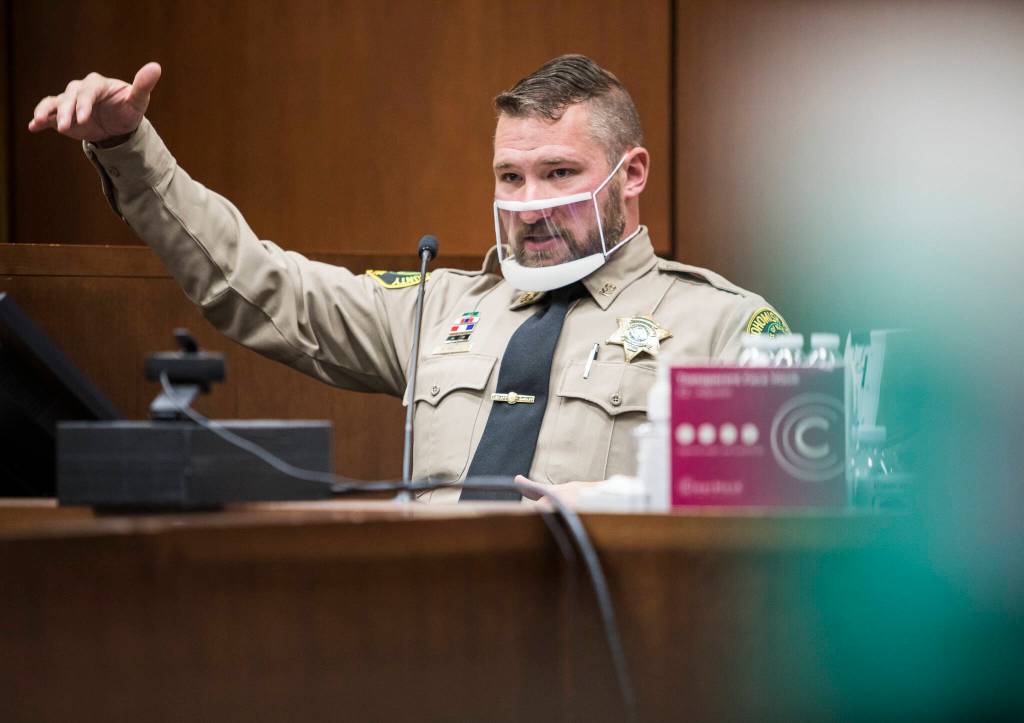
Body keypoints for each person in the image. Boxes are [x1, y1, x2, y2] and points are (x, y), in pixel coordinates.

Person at [29, 55, 788, 503]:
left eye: (559, 173)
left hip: (610, 644)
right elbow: (258, 284)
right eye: (510, 177)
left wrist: (631, 502)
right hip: (429, 633)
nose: (529, 204)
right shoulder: (439, 307)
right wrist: (131, 150)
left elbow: (790, 504)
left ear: (632, 174)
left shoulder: (721, 325)